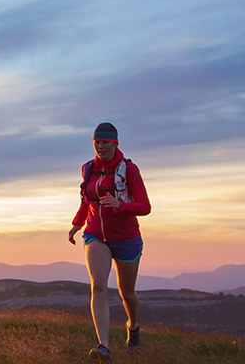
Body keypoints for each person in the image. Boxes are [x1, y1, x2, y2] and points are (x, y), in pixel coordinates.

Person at [67, 122, 151, 363]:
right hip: (96, 235)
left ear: (115, 143)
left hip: (126, 239)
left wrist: (120, 205)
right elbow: (86, 200)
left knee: (127, 294)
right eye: (97, 142)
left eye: (105, 142)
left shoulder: (129, 169)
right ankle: (103, 347)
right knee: (98, 285)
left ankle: (133, 327)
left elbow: (145, 206)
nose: (101, 146)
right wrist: (77, 223)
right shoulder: (88, 168)